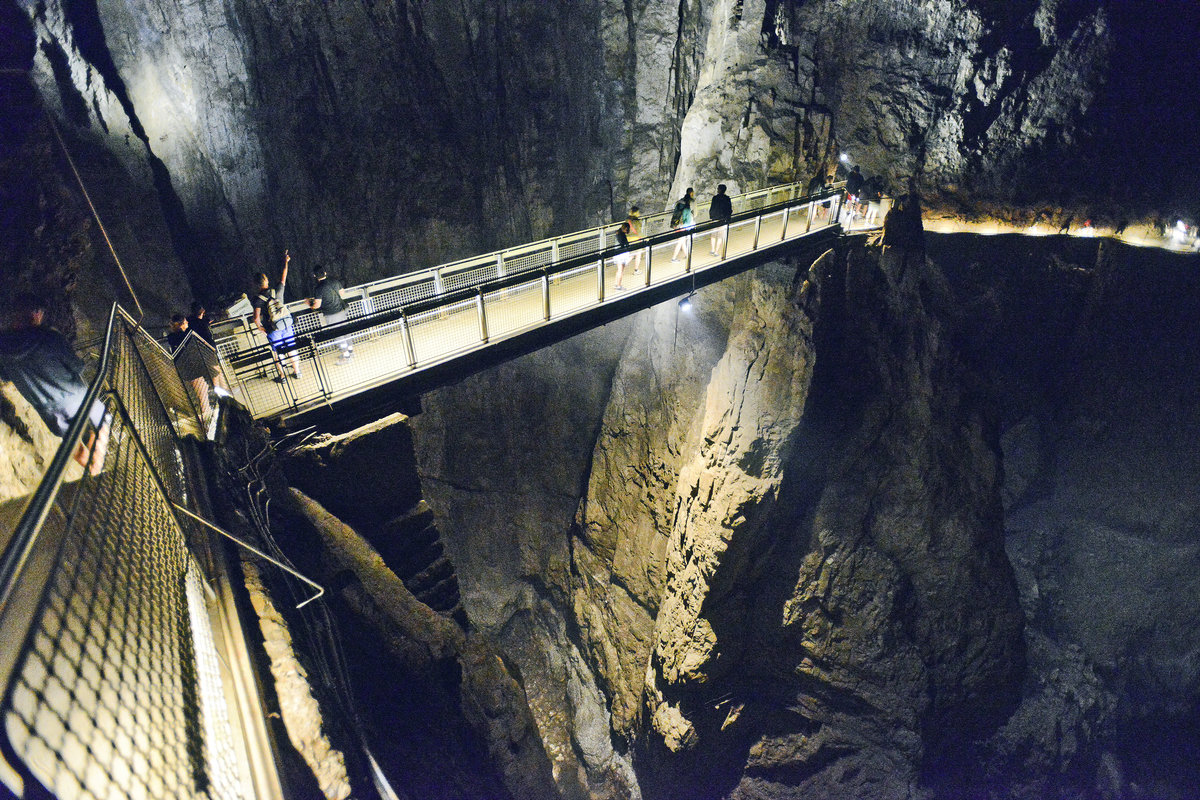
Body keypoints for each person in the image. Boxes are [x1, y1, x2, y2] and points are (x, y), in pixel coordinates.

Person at [0, 293, 109, 474]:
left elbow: (5, 376)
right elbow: (76, 366)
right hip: (75, 396)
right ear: (35, 313)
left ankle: (93, 470)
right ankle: (98, 467)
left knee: (73, 443)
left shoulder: (3, 348)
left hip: (49, 411)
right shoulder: (48, 337)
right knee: (103, 419)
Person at [252, 249, 302, 381]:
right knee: (291, 348)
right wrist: (286, 262)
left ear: (256, 285)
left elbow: (256, 318)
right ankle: (297, 372)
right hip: (286, 324)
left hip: (273, 328)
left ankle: (282, 376)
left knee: (278, 352)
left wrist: (261, 329)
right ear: (267, 281)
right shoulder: (277, 291)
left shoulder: (257, 299)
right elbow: (283, 276)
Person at [306, 265, 353, 362]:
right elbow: (342, 293)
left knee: (338, 335)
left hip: (331, 314)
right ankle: (351, 351)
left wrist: (309, 304)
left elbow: (317, 305)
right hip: (342, 310)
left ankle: (346, 357)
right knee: (345, 331)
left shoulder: (319, 289)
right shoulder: (334, 281)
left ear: (315, 276)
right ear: (325, 273)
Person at [670, 187, 696, 262]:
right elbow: (687, 222)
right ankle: (673, 258)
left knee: (682, 241)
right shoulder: (687, 209)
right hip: (682, 227)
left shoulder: (679, 202)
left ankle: (686, 255)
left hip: (676, 224)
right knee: (680, 242)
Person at [708, 184, 733, 256]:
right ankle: (716, 251)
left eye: (718, 189)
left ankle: (712, 250)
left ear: (720, 190)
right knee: (720, 236)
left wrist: (711, 217)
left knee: (713, 235)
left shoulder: (715, 198)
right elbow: (729, 209)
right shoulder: (727, 198)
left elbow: (712, 209)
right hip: (723, 220)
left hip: (715, 219)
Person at [613, 221, 632, 291]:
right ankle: (618, 286)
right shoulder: (622, 235)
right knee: (621, 270)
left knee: (619, 270)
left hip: (617, 253)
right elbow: (625, 244)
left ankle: (616, 284)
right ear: (626, 228)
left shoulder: (618, 232)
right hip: (621, 254)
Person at [625, 206, 644, 274]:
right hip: (635, 239)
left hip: (628, 239)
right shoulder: (637, 221)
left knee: (633, 254)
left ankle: (623, 265)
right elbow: (638, 231)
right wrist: (643, 238)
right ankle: (636, 270)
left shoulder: (627, 220)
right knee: (637, 254)